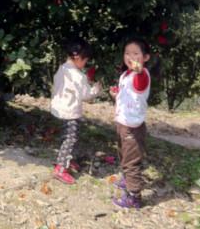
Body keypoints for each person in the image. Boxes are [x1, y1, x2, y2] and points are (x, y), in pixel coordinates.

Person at [50, 37, 102, 184]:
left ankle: (66, 160)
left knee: (65, 137)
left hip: (58, 110)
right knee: (70, 139)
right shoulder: (78, 76)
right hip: (69, 112)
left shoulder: (62, 69)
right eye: (85, 60)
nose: (85, 64)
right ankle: (60, 168)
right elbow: (86, 96)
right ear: (78, 57)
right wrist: (96, 89)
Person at [110, 37, 151, 209]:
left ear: (145, 57)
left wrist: (139, 70)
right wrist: (116, 94)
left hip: (133, 127)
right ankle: (127, 179)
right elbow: (128, 94)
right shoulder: (126, 74)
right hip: (123, 122)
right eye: (127, 53)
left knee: (131, 162)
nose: (130, 56)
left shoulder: (142, 75)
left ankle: (134, 197)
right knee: (123, 154)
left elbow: (140, 83)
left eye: (136, 53)